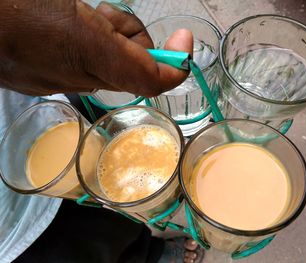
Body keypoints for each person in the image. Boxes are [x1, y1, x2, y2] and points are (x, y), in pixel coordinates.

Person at [0, 1, 202, 262]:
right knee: (83, 251)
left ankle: (150, 250)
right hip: (12, 234)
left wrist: (11, 27)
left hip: (40, 106)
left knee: (114, 214)